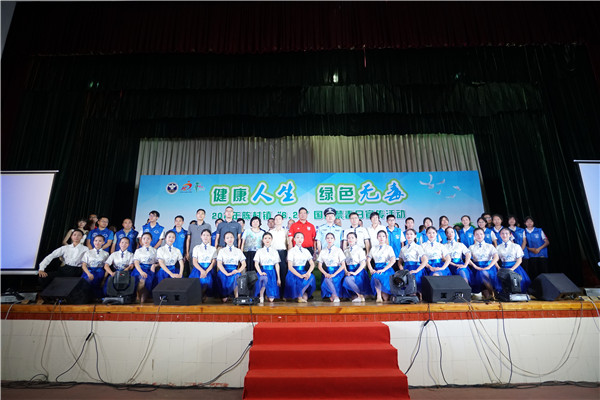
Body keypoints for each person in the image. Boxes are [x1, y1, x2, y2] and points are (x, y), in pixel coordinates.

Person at [469, 228, 500, 300]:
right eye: (477, 234)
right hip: (477, 268)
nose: (479, 236)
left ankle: (492, 293)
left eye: (481, 234)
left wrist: (489, 266)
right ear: (474, 236)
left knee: (483, 273)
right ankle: (489, 295)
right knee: (481, 277)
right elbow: (468, 259)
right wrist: (475, 266)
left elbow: (496, 257)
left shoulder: (490, 246)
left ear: (484, 235)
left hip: (489, 267)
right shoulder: (471, 247)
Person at [497, 228, 531, 293]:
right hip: (504, 268)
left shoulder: (516, 246)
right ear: (500, 235)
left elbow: (519, 260)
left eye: (506, 233)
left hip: (515, 268)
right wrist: (498, 267)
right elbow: (495, 259)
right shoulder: (498, 247)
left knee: (518, 284)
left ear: (510, 235)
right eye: (502, 233)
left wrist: (512, 269)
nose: (504, 235)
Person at [285, 232, 316, 303]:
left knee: (311, 277)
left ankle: (299, 295)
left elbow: (312, 264)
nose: (300, 239)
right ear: (294, 239)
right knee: (298, 281)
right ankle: (299, 296)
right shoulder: (291, 251)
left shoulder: (306, 251)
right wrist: (300, 276)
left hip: (303, 271)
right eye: (298, 237)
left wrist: (308, 273)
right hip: (293, 273)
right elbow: (290, 267)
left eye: (301, 238)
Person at [216, 231, 246, 302]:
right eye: (227, 238)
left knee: (237, 276)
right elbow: (219, 264)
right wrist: (226, 273)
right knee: (221, 275)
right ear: (224, 240)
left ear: (234, 238)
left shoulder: (238, 251)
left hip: (234, 270)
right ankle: (224, 295)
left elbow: (244, 264)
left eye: (231, 237)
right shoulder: (222, 251)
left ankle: (236, 297)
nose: (229, 239)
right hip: (224, 270)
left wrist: (238, 271)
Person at [367, 230, 397, 303]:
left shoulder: (389, 248)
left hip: (386, 269)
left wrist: (383, 270)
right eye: (379, 236)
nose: (381, 238)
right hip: (377, 269)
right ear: (377, 237)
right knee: (375, 275)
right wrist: (371, 269)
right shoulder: (373, 248)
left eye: (383, 236)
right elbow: (368, 260)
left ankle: (384, 295)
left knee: (386, 298)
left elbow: (393, 260)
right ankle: (378, 295)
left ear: (386, 237)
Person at [317, 233, 346, 303]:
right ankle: (335, 296)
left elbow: (343, 265)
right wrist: (325, 273)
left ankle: (334, 296)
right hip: (327, 272)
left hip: (337, 272)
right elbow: (319, 266)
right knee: (327, 278)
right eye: (328, 238)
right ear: (325, 239)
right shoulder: (323, 251)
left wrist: (334, 274)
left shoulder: (338, 250)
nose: (329, 240)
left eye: (331, 238)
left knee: (330, 279)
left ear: (334, 239)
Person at [341, 232, 370, 303]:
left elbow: (363, 263)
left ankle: (360, 295)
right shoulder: (346, 250)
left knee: (347, 279)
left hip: (358, 272)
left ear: (356, 239)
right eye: (349, 238)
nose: (350, 239)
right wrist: (346, 271)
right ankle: (358, 295)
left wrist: (355, 273)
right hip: (349, 271)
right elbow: (343, 263)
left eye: (352, 238)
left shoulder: (359, 249)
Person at [253, 232, 282, 303]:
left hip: (272, 272)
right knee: (264, 278)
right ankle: (261, 295)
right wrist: (260, 272)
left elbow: (277, 265)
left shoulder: (275, 251)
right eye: (265, 238)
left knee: (271, 299)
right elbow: (256, 263)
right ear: (263, 240)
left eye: (269, 238)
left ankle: (267, 295)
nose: (267, 240)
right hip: (263, 271)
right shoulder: (259, 251)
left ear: (272, 239)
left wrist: (278, 278)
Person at [190, 229, 217, 301]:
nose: (205, 237)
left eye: (207, 235)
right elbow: (194, 261)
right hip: (198, 268)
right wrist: (202, 271)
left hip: (209, 269)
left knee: (208, 280)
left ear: (210, 237)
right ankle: (199, 295)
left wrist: (206, 271)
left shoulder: (213, 248)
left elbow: (213, 262)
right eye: (204, 235)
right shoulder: (196, 248)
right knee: (199, 280)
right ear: (201, 236)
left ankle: (204, 295)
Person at [132, 232, 159, 303]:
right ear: (141, 240)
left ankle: (144, 297)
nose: (146, 240)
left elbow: (159, 262)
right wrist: (141, 271)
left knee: (149, 280)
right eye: (144, 238)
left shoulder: (155, 250)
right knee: (141, 279)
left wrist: (155, 265)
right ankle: (138, 295)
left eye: (148, 238)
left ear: (151, 240)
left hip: (150, 269)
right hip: (140, 268)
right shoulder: (138, 250)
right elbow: (136, 263)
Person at [81, 235, 110, 299]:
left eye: (100, 241)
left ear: (103, 242)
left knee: (99, 284)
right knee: (86, 283)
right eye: (96, 240)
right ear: (93, 242)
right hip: (88, 271)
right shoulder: (88, 252)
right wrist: (88, 273)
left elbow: (107, 267)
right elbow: (83, 265)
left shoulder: (106, 253)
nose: (97, 242)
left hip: (99, 272)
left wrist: (104, 278)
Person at [524, 216, 550, 280]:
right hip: (531, 255)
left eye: (531, 221)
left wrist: (539, 249)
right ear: (525, 223)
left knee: (544, 272)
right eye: (527, 222)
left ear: (533, 222)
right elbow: (522, 243)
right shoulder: (523, 231)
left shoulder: (539, 230)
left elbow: (547, 242)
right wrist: (530, 249)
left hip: (541, 254)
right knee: (534, 273)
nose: (529, 223)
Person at [269, 214, 289, 297]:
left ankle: (283, 294)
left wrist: (288, 255)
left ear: (282, 220)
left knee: (283, 272)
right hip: (273, 253)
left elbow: (288, 244)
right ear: (274, 221)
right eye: (276, 219)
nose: (277, 220)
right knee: (273, 273)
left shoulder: (285, 231)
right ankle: (273, 293)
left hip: (282, 253)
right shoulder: (270, 232)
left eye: (279, 219)